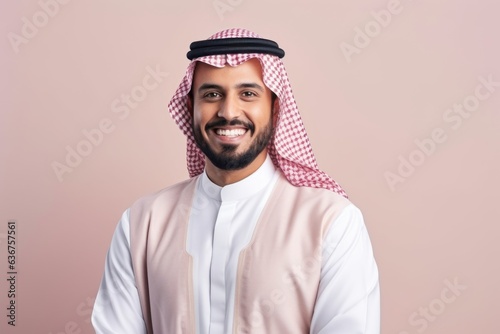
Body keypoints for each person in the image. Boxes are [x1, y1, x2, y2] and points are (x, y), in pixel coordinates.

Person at [91, 28, 380, 334]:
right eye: (212, 94)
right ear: (190, 108)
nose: (228, 112)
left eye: (248, 94)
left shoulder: (331, 223)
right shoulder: (142, 223)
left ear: (276, 108)